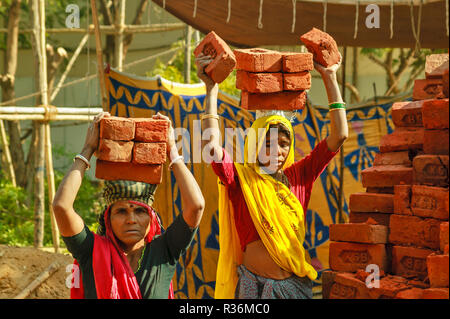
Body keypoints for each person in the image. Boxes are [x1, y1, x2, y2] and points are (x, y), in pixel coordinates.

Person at [196, 51, 348, 299]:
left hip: (294, 289)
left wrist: (330, 77)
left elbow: (339, 135)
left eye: (283, 144)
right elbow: (212, 148)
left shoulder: (299, 176)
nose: (276, 151)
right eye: (267, 144)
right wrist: (211, 89)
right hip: (253, 289)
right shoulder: (240, 179)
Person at [52, 112, 205, 299]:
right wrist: (88, 149)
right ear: (108, 218)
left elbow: (196, 206)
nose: (131, 220)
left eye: (140, 211)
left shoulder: (164, 251)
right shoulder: (90, 251)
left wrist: (172, 150)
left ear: (151, 217)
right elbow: (61, 207)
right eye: (121, 211)